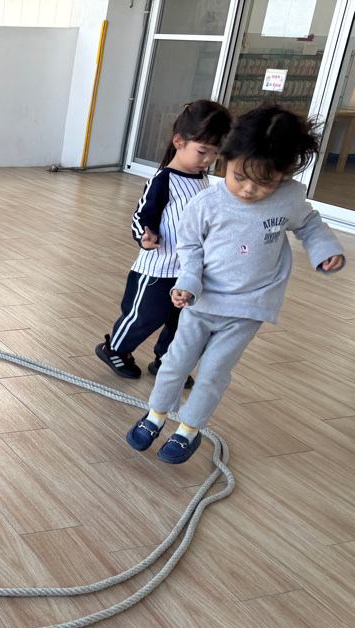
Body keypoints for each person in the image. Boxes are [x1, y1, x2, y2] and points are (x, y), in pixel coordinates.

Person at [126, 105, 345, 464]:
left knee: (213, 373)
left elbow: (309, 224)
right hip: (201, 303)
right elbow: (189, 246)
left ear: (284, 175)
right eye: (239, 175)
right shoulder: (206, 203)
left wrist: (325, 250)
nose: (248, 189)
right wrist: (188, 282)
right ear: (226, 159)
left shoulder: (289, 197)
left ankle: (189, 430)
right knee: (174, 364)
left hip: (248, 309)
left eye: (265, 182)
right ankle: (155, 415)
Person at [96, 100, 233, 387]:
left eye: (215, 153)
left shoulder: (201, 178)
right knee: (144, 316)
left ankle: (167, 362)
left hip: (189, 271)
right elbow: (141, 216)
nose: (208, 159)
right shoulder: (163, 180)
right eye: (202, 151)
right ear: (179, 142)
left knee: (182, 322)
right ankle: (115, 349)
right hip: (157, 269)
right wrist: (144, 237)